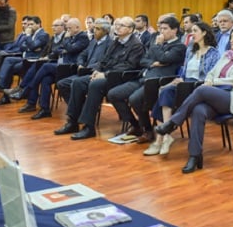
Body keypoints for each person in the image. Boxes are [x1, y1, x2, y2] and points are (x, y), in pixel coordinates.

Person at [155, 29, 233, 173]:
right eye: (232, 37)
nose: (231, 40)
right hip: (218, 96)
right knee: (198, 110)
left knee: (203, 90)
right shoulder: (227, 56)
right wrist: (210, 79)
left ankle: (173, 123)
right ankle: (194, 156)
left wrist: (214, 81)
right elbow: (211, 72)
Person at [54, 16, 144, 140]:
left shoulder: (136, 45)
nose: (117, 27)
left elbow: (129, 66)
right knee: (77, 82)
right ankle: (72, 122)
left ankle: (89, 127)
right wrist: (98, 71)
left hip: (122, 78)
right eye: (117, 25)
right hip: (107, 74)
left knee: (95, 85)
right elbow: (104, 60)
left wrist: (105, 74)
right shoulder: (116, 41)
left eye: (122, 26)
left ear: (130, 29)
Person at [107, 16, 186, 144]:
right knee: (113, 94)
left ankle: (148, 130)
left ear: (175, 30)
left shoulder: (179, 47)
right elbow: (143, 60)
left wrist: (157, 47)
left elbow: (164, 59)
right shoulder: (156, 40)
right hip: (143, 77)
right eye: (160, 28)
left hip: (158, 82)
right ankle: (136, 125)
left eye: (165, 29)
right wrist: (153, 63)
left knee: (134, 99)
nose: (161, 32)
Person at [146, 22, 219, 156]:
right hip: (185, 84)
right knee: (165, 90)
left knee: (166, 93)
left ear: (204, 33)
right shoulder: (190, 50)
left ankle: (161, 138)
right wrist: (179, 78)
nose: (192, 34)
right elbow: (184, 71)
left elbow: (211, 75)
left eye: (195, 31)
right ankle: (165, 136)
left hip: (199, 87)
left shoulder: (213, 53)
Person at [17, 18, 90, 119]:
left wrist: (67, 41)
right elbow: (58, 49)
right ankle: (45, 109)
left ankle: (27, 89)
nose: (67, 30)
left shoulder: (83, 37)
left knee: (45, 66)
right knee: (45, 79)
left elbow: (71, 49)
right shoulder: (72, 36)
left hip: (71, 68)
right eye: (67, 28)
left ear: (77, 28)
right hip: (62, 66)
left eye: (69, 28)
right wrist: (65, 48)